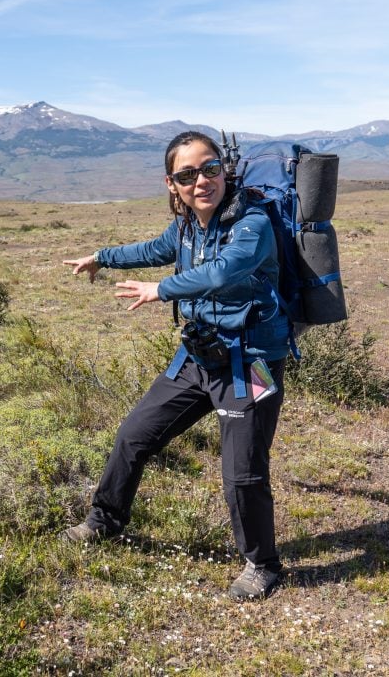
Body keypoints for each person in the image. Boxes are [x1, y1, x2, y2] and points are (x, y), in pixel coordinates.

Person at [61, 131, 291, 601]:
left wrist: (161, 290)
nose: (201, 181)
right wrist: (101, 258)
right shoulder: (186, 226)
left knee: (242, 473)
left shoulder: (253, 222)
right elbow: (150, 250)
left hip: (251, 363)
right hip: (198, 357)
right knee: (134, 435)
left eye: (210, 168)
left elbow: (225, 270)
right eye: (188, 174)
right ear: (173, 184)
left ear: (224, 169)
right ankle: (105, 521)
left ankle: (263, 564)